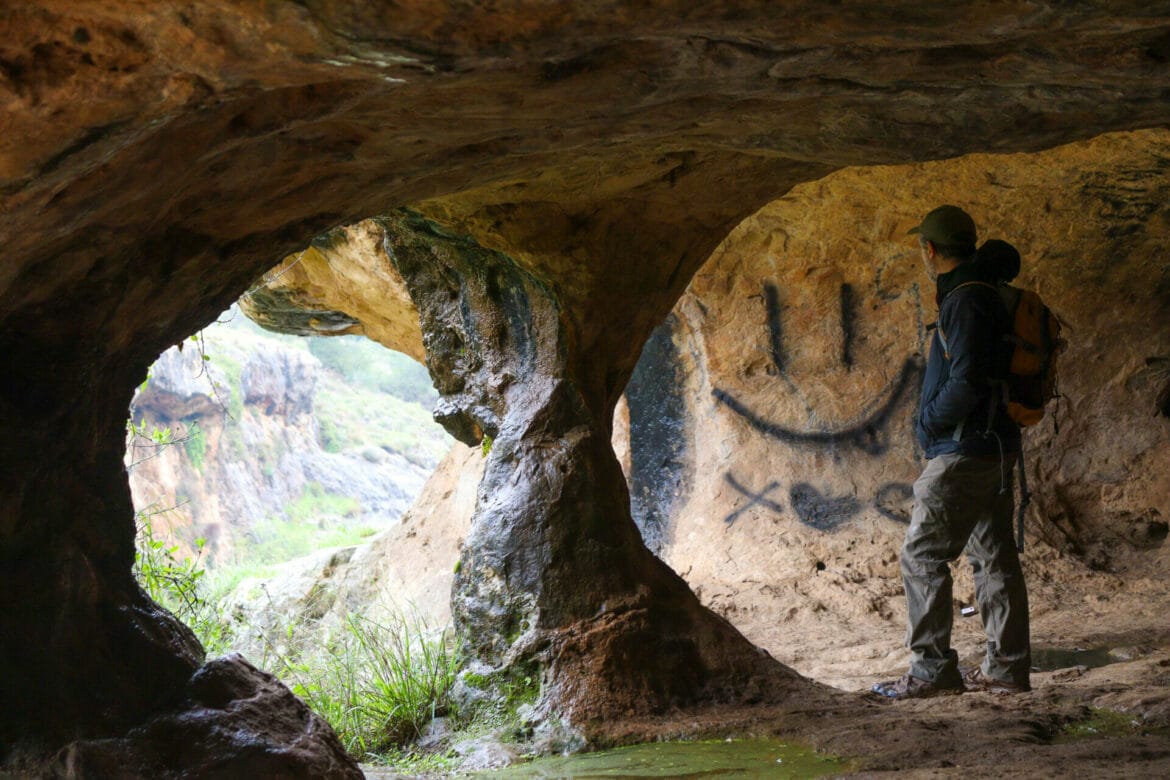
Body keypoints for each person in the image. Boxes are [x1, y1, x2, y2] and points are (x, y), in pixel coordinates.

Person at [873, 205, 1031, 699]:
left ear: (931, 250)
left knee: (921, 556)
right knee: (994, 559)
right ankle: (1006, 670)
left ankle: (931, 671)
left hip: (962, 450)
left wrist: (926, 422)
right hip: (997, 449)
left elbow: (964, 382)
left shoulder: (964, 300)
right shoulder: (987, 295)